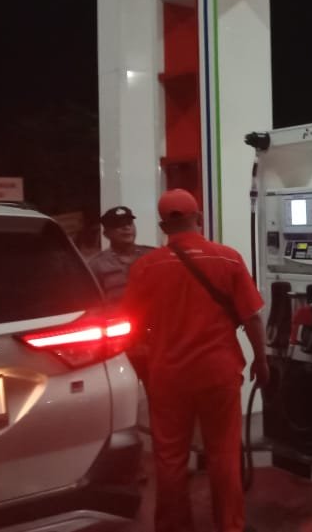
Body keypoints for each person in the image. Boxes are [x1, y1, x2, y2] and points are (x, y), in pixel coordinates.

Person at [122, 189, 269, 532]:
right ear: (199, 218)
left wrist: (146, 362)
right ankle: (229, 525)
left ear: (163, 226)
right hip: (218, 373)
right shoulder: (228, 259)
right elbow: (252, 319)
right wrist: (261, 361)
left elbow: (130, 325)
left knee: (170, 457)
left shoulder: (145, 267)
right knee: (224, 453)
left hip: (168, 376)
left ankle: (173, 526)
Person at [87, 206, 154, 307]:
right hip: (117, 316)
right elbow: (92, 304)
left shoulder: (152, 256)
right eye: (118, 225)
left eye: (129, 223)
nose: (126, 228)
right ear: (106, 234)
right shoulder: (97, 265)